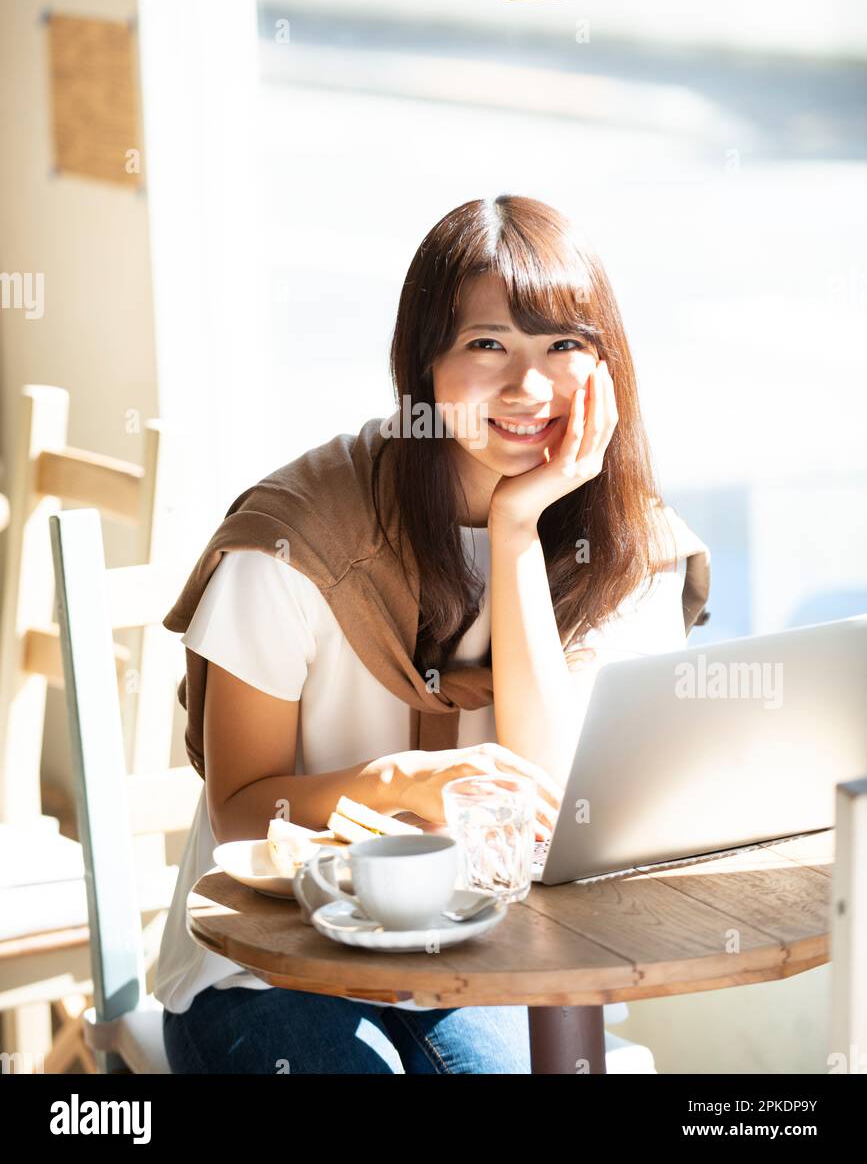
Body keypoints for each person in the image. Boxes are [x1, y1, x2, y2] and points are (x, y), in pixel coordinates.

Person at [156, 194, 702, 1073]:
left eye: (563, 344)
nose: (528, 388)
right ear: (422, 364)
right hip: (271, 965)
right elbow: (239, 815)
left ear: (605, 366)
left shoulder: (630, 548)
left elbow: (558, 802)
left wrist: (518, 528)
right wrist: (403, 781)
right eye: (486, 344)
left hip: (487, 957)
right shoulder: (297, 538)